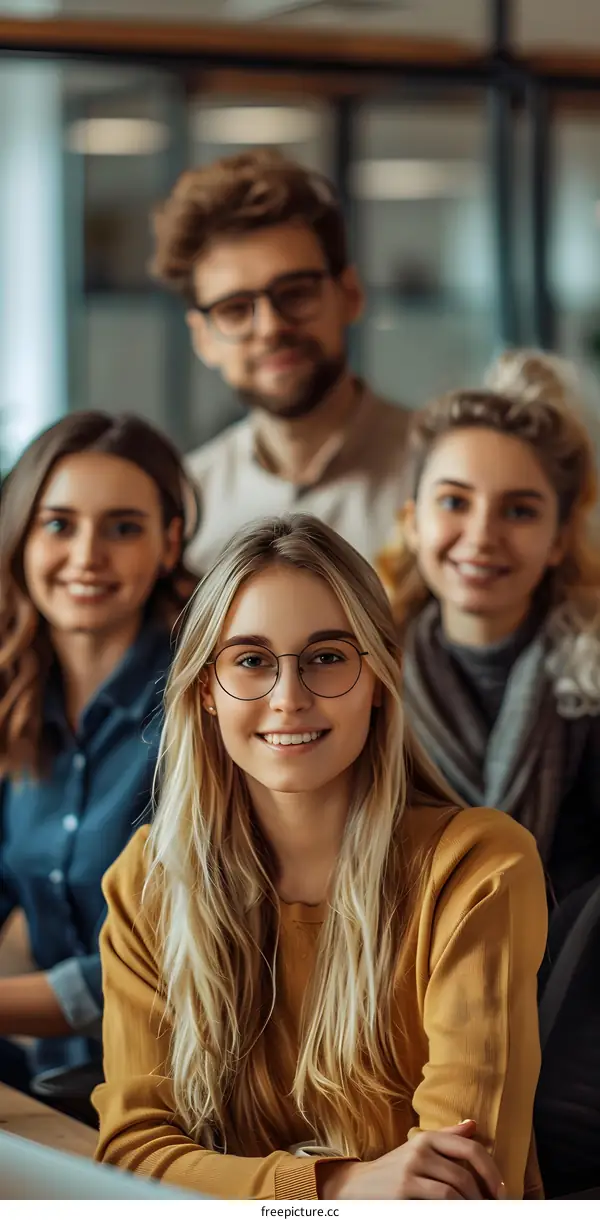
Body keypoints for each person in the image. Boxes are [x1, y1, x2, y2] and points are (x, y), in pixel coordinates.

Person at [93, 513, 546, 1200]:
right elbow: (131, 1153)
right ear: (205, 690)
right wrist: (336, 1189)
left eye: (327, 657)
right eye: (250, 660)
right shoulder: (149, 878)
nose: (289, 698)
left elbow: (459, 1189)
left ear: (381, 676)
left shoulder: (477, 868)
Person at [0, 412, 196, 1095]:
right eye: (58, 524)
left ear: (169, 543)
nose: (87, 556)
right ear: (21, 536)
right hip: (58, 1081)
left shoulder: (204, 706)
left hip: (187, 1095)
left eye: (122, 527)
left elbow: (170, 959)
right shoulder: (16, 699)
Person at [377, 348, 600, 906]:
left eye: (519, 511)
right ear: (413, 522)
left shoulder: (591, 682)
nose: (481, 536)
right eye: (455, 501)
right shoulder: (363, 678)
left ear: (558, 539)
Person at [151, 149, 411, 573]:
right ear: (203, 337)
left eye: (296, 292)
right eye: (235, 308)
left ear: (350, 295)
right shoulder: (184, 507)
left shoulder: (447, 480)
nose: (270, 327)